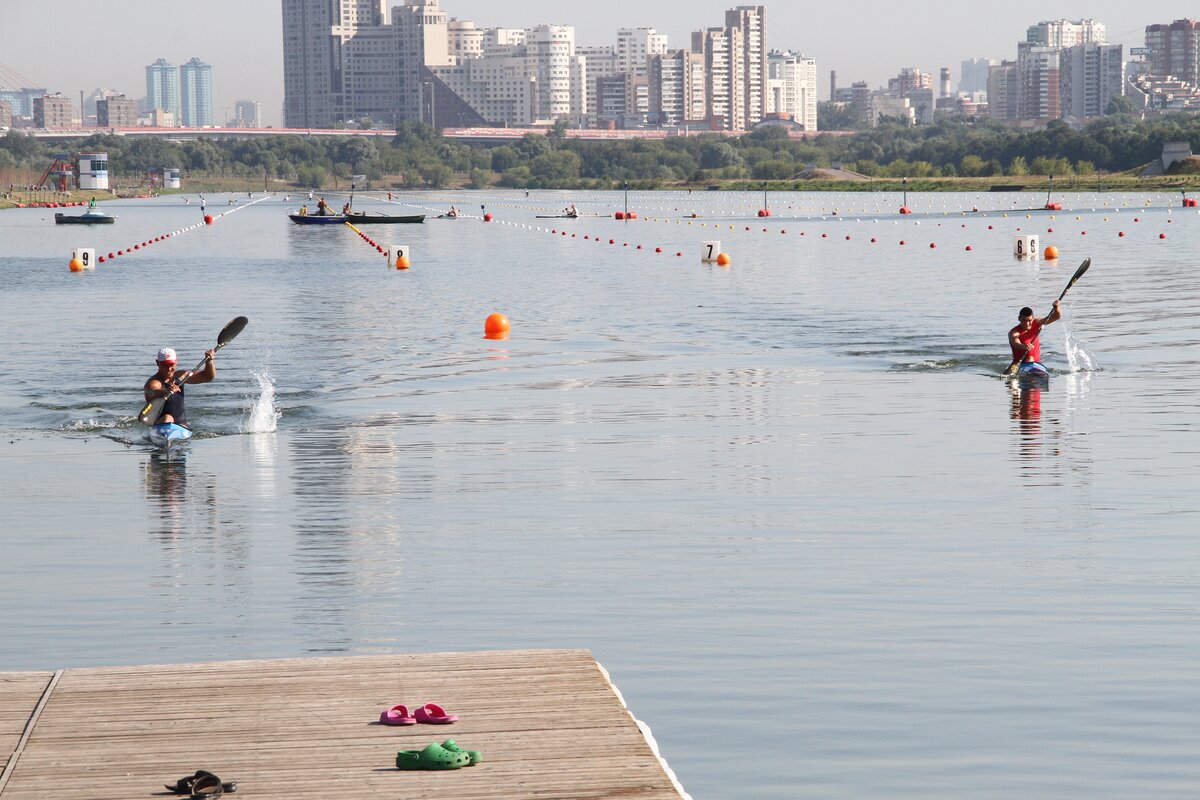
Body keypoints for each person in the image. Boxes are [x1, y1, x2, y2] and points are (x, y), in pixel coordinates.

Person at [143, 347, 216, 427]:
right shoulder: (153, 382)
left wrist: (209, 362)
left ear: (176, 362)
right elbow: (152, 391)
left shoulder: (181, 376)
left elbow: (208, 377)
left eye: (171, 365)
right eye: (165, 365)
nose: (169, 369)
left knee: (180, 424)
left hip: (181, 424)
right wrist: (166, 391)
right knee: (167, 418)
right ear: (157, 363)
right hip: (159, 424)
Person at [1008, 300, 1061, 372]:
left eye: (1029, 320)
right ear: (1019, 318)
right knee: (1029, 359)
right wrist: (1024, 346)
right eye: (1024, 320)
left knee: (1030, 358)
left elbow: (1056, 317)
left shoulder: (1037, 323)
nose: (1027, 324)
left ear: (1033, 318)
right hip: (1019, 364)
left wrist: (1056, 307)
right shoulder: (1014, 332)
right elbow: (1016, 344)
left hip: (1036, 364)